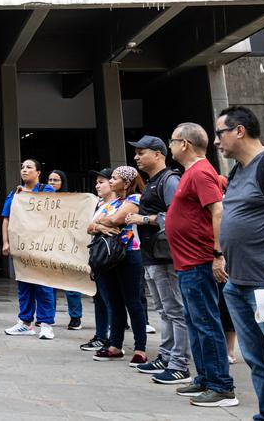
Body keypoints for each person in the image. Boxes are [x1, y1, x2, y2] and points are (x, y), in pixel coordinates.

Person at [214, 106, 264, 420]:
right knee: (258, 360)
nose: (217, 141)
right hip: (238, 284)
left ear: (239, 130)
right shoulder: (238, 170)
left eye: (220, 133)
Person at [166, 122, 238, 407]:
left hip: (198, 262)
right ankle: (205, 379)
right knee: (197, 323)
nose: (169, 146)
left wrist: (217, 254)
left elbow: (217, 210)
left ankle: (221, 386)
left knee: (207, 322)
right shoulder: (190, 173)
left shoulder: (200, 172)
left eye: (171, 141)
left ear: (184, 144)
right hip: (187, 263)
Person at [124, 135, 192, 384]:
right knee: (164, 310)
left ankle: (179, 364)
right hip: (152, 255)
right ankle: (165, 356)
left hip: (166, 256)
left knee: (175, 311)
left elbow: (178, 216)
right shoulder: (154, 182)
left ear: (158, 154)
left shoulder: (170, 179)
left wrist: (143, 220)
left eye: (141, 153)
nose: (136, 157)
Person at [88, 166, 148, 366]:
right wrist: (103, 226)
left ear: (127, 182)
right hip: (107, 257)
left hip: (128, 254)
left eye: (115, 178)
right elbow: (90, 226)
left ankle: (140, 349)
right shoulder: (111, 202)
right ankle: (115, 345)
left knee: (133, 302)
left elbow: (116, 219)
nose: (111, 181)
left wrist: (103, 223)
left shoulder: (135, 199)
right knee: (113, 302)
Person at [2, 159, 58, 339]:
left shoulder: (45, 190)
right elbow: (6, 218)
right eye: (22, 167)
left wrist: (25, 194)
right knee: (24, 285)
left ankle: (46, 324)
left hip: (42, 246)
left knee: (43, 285)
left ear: (38, 172)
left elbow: (50, 210)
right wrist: (6, 242)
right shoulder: (14, 193)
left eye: (29, 167)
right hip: (21, 246)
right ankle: (25, 323)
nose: (24, 170)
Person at [81, 168, 115, 353]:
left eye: (102, 182)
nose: (98, 185)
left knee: (111, 299)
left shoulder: (120, 203)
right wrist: (98, 226)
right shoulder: (100, 204)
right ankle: (101, 335)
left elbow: (109, 223)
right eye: (97, 182)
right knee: (99, 298)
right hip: (99, 256)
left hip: (113, 257)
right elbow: (90, 228)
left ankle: (112, 338)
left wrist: (98, 226)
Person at [47, 169, 84, 330]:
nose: (52, 183)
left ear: (63, 183)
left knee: (71, 285)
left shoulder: (70, 200)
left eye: (56, 180)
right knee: (49, 284)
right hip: (48, 246)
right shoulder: (43, 200)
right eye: (50, 180)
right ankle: (49, 316)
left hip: (68, 246)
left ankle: (75, 317)